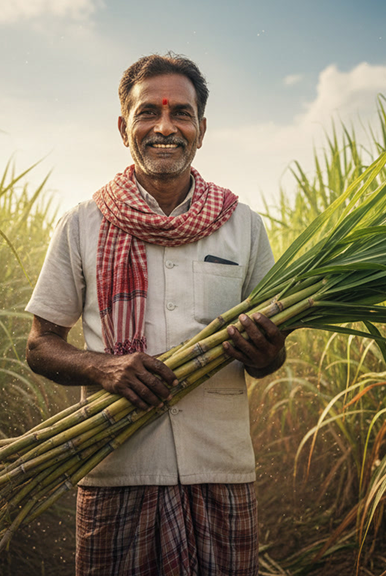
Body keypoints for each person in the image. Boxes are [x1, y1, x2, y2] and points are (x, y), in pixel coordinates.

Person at [24, 52, 287, 576]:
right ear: (124, 127)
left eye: (181, 114)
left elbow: (268, 356)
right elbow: (39, 345)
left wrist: (268, 352)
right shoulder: (84, 224)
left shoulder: (243, 226)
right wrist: (104, 368)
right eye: (148, 113)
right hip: (116, 466)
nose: (164, 127)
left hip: (221, 468)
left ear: (201, 129)